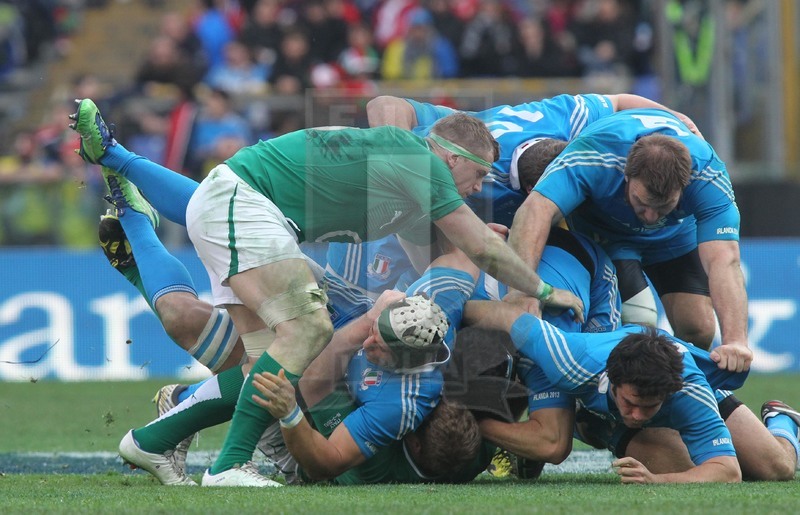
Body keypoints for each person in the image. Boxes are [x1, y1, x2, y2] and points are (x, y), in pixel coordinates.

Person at [70, 98, 583, 487]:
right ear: (451, 157)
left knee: (249, 353)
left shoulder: (409, 177)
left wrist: (460, 250)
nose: (479, 187)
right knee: (307, 327)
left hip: (236, 201)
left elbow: (451, 253)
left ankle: (153, 439)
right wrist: (542, 289)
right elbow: (479, 249)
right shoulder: (422, 166)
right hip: (245, 204)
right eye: (479, 173)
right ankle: (228, 465)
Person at [507, 108, 752, 374]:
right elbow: (534, 212)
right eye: (642, 203)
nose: (650, 216)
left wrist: (736, 341)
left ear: (685, 185)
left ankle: (673, 400)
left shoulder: (708, 175)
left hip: (675, 234)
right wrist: (522, 292)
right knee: (638, 320)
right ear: (626, 174)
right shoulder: (595, 154)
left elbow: (724, 261)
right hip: (606, 234)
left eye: (663, 206)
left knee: (699, 329)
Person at [463, 300, 799, 483]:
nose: (637, 415)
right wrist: (454, 315)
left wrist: (657, 482)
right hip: (598, 410)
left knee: (776, 469)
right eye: (630, 403)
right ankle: (589, 422)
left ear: (668, 395)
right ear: (613, 378)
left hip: (694, 390)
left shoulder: (689, 391)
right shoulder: (570, 358)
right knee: (680, 463)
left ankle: (782, 420)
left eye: (648, 408)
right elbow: (507, 315)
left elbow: (727, 471)